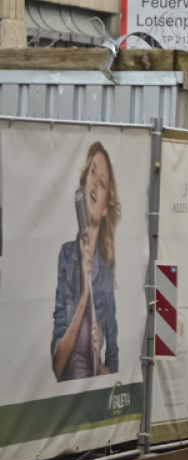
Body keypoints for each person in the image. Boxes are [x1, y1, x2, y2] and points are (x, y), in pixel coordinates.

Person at [52, 142, 121, 381]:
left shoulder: (106, 275)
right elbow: (57, 364)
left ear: (104, 209)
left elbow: (114, 362)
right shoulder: (66, 257)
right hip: (65, 402)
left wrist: (100, 365)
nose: (94, 182)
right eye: (92, 172)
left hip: (94, 400)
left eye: (102, 184)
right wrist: (83, 300)